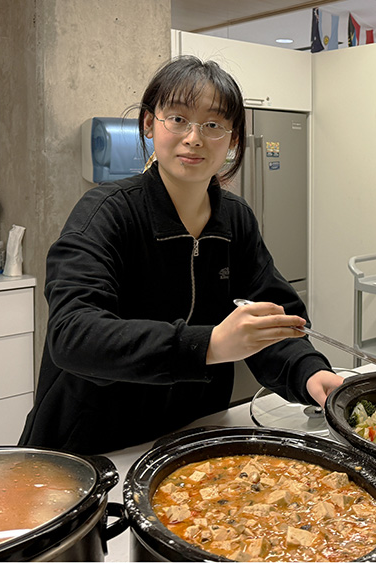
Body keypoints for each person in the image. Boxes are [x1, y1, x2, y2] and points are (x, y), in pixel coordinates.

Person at [19, 55, 343, 455]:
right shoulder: (107, 212)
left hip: (193, 434)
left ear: (233, 138)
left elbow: (274, 317)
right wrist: (209, 344)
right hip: (93, 445)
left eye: (213, 124)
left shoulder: (235, 220)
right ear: (149, 124)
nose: (194, 138)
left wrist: (308, 371)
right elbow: (73, 334)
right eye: (177, 118)